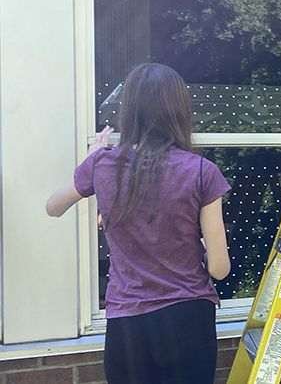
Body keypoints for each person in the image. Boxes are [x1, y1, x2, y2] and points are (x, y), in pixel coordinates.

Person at [46, 63, 231, 383]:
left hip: (127, 322)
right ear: (178, 111)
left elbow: (53, 207)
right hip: (188, 317)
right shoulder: (202, 171)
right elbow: (219, 268)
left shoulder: (102, 164)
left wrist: (92, 158)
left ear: (129, 110)